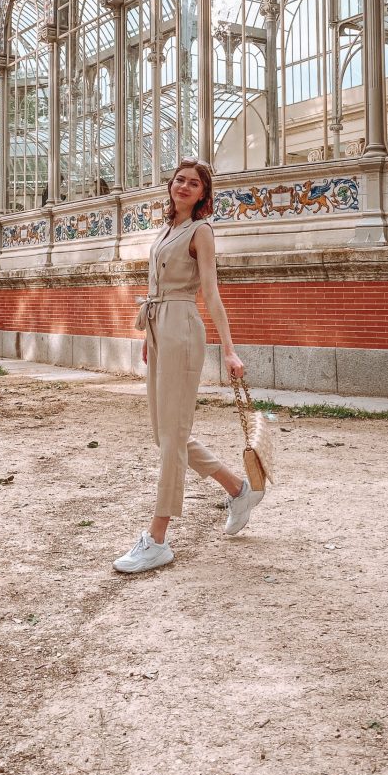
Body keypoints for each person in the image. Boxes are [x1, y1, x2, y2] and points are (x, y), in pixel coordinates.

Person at [113, 158, 265, 574]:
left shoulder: (201, 232)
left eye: (193, 183)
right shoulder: (165, 230)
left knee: (173, 436)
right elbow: (154, 288)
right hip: (159, 330)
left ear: (203, 194)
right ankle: (238, 489)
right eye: (179, 180)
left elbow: (212, 294)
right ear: (170, 185)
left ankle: (157, 539)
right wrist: (149, 338)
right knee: (165, 435)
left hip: (182, 328)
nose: (183, 186)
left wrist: (230, 350)